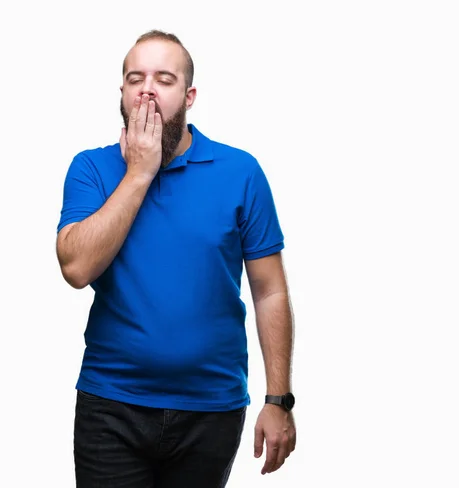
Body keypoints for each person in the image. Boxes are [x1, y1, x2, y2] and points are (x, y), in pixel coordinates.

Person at [55, 29, 296, 488]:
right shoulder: (90, 168)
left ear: (188, 96)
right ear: (122, 94)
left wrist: (278, 398)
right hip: (111, 405)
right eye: (135, 78)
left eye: (163, 79)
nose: (147, 87)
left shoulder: (240, 172)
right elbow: (76, 268)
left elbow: (270, 290)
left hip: (212, 409)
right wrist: (139, 172)